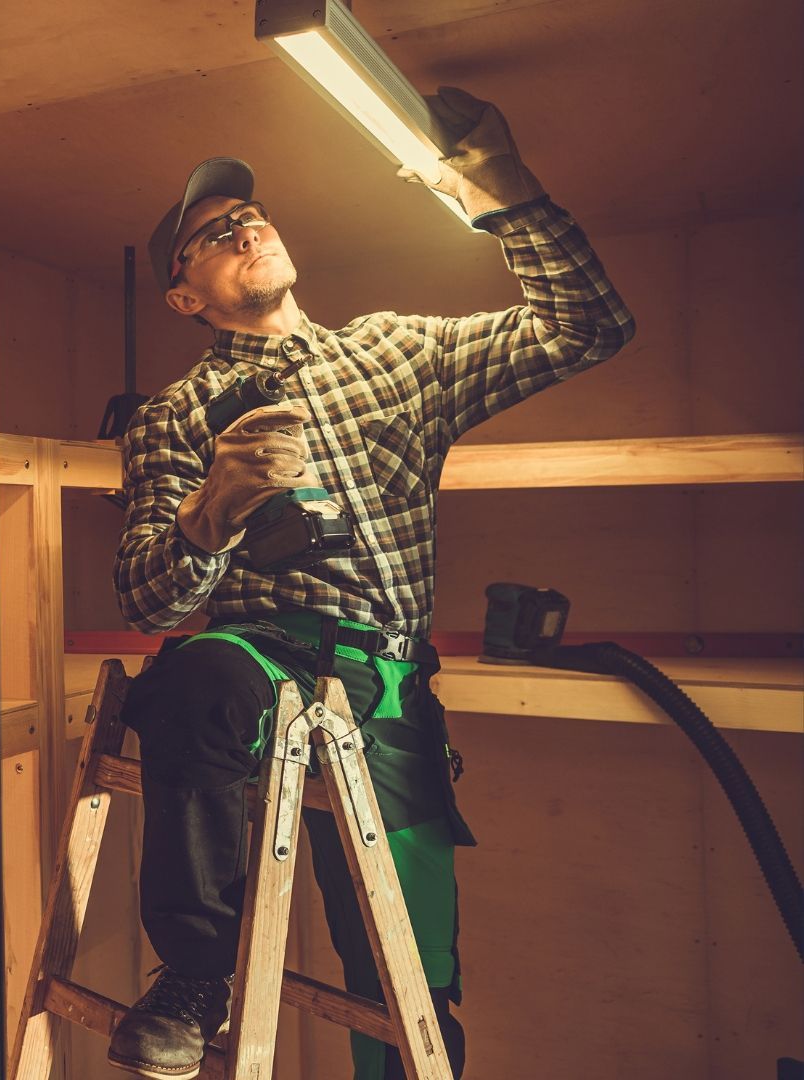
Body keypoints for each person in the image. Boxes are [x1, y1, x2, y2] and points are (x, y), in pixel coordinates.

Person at [106, 87, 635, 1080]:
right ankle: (190, 976)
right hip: (254, 657)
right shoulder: (176, 416)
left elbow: (588, 328)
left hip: (385, 683)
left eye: (247, 214)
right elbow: (148, 603)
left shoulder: (394, 354)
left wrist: (504, 187)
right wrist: (210, 509)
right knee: (192, 679)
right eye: (211, 235)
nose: (242, 225)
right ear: (185, 297)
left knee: (406, 978)